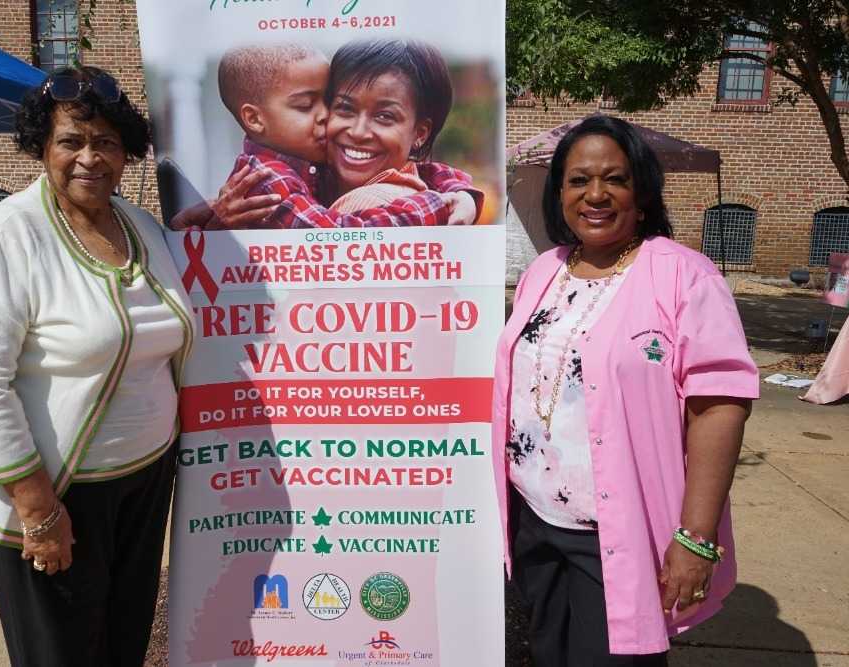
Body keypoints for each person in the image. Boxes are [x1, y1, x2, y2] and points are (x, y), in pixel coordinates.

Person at [0, 66, 193, 667]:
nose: (89, 158)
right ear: (42, 148)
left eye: (105, 142)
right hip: (53, 488)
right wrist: (38, 508)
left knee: (122, 639)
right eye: (70, 141)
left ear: (126, 151)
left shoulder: (141, 227)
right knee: (62, 651)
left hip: (142, 480)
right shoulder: (6, 234)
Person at [492, 115, 759, 665]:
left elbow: (720, 406)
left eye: (614, 179)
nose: (595, 194)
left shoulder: (685, 276)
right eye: (577, 180)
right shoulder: (546, 270)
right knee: (547, 653)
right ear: (559, 192)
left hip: (617, 529)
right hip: (535, 521)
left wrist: (695, 537)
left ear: (641, 190)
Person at [173, 42, 479, 230]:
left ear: (420, 133)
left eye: (326, 101)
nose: (324, 116)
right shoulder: (265, 181)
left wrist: (463, 195)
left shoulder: (309, 166)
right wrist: (435, 205)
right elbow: (334, 239)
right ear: (254, 118)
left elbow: (430, 170)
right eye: (343, 108)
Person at [324, 39, 475, 219]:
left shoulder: (376, 206)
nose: (358, 132)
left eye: (384, 116)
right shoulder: (312, 177)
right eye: (346, 108)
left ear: (420, 133)